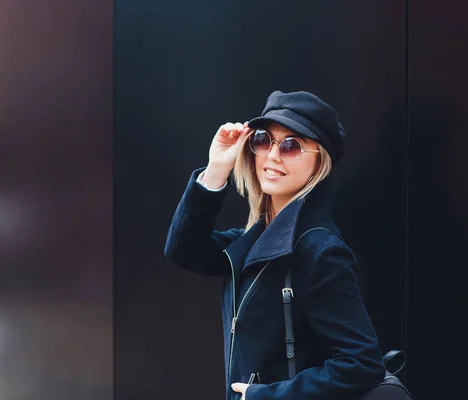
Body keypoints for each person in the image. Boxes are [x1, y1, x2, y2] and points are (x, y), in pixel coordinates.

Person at [164, 90, 386, 400]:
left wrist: (265, 396)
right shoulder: (253, 239)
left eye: (291, 146)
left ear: (319, 160)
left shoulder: (320, 251)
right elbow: (183, 249)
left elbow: (361, 364)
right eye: (263, 139)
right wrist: (216, 170)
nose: (272, 155)